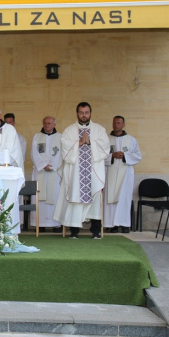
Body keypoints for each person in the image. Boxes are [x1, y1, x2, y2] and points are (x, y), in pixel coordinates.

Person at [53, 102, 110, 239]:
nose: (84, 115)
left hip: (93, 173)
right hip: (75, 174)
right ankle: (74, 232)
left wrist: (90, 142)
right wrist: (79, 142)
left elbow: (105, 147)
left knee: (95, 200)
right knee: (75, 199)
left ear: (90, 113)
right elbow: (64, 145)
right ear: (77, 113)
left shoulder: (99, 129)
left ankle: (96, 231)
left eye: (86, 112)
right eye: (81, 112)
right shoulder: (69, 130)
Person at [104, 116, 142, 233]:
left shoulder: (131, 140)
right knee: (110, 198)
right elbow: (99, 156)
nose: (116, 125)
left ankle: (124, 224)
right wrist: (112, 156)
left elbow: (138, 156)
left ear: (123, 125)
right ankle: (112, 225)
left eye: (118, 123)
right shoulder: (106, 140)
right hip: (110, 173)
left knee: (123, 199)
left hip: (125, 174)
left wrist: (125, 156)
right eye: (114, 123)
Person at [30, 116, 62, 233]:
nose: (47, 125)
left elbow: (62, 154)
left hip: (55, 172)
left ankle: (56, 224)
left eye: (49, 123)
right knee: (40, 197)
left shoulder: (60, 137)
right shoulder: (37, 137)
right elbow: (34, 153)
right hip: (41, 172)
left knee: (55, 196)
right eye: (45, 123)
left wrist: (52, 165)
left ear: (54, 124)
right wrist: (43, 165)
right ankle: (40, 223)